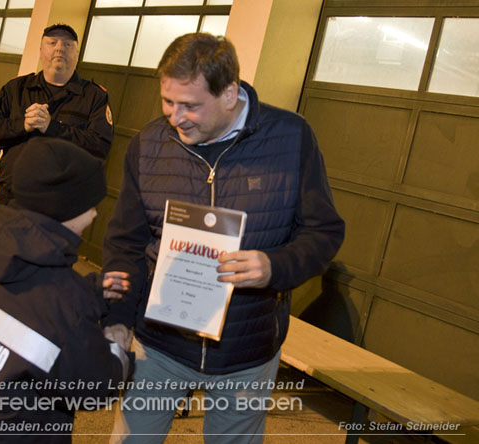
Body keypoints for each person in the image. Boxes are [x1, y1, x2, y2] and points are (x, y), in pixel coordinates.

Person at [102, 33, 345, 443]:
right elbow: (125, 243)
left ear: (230, 93)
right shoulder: (148, 145)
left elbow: (324, 231)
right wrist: (118, 318)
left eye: (190, 105)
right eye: (168, 101)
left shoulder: (291, 139)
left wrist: (275, 267)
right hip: (159, 345)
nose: (175, 117)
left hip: (245, 353)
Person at [0, 137, 133, 443]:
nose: (96, 215)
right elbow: (92, 389)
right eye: (91, 205)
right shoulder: (61, 297)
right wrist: (118, 350)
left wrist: (90, 291)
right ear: (67, 207)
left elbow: (28, 305)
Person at [0, 23, 114, 208]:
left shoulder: (94, 96)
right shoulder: (16, 89)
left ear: (77, 54)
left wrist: (53, 127)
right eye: (52, 43)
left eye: (67, 45)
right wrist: (22, 125)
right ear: (41, 50)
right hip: (11, 200)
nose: (59, 48)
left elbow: (100, 147)